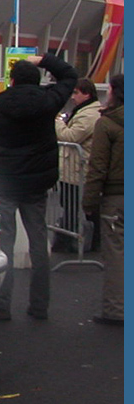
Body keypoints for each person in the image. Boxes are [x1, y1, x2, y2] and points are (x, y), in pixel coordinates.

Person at [0, 53, 78, 321]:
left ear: (12, 81)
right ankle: (39, 305)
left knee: (5, 244)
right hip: (37, 182)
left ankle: (1, 304)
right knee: (38, 243)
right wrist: (46, 59)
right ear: (37, 81)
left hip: (6, 180)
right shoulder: (48, 102)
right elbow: (70, 75)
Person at [82, 73, 123, 325]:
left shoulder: (107, 124)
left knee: (116, 252)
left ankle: (116, 308)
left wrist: (89, 202)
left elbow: (97, 167)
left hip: (116, 195)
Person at [53, 78, 102, 252]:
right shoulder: (84, 111)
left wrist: (57, 121)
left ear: (87, 94)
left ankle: (71, 242)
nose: (73, 97)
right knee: (72, 206)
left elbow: (71, 136)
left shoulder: (89, 114)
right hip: (73, 168)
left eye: (76, 93)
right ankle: (78, 240)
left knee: (73, 206)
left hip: (78, 169)